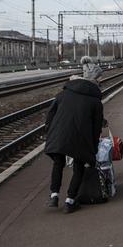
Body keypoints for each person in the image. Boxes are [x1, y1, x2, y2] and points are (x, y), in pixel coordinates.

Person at [44, 63, 104, 213]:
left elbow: (50, 116)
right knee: (79, 167)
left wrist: (50, 133)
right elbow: (96, 128)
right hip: (81, 137)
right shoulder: (95, 101)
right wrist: (94, 147)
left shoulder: (63, 93)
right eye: (100, 79)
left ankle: (54, 196)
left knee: (58, 162)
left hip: (59, 133)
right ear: (95, 80)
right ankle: (70, 202)